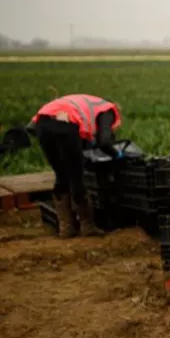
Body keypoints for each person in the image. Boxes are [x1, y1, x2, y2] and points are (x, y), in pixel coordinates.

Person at [31, 94, 123, 238]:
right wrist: (117, 155)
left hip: (42, 124)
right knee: (76, 177)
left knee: (61, 175)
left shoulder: (85, 102)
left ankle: (66, 228)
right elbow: (104, 141)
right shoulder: (107, 110)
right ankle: (88, 227)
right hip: (66, 125)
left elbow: (30, 128)